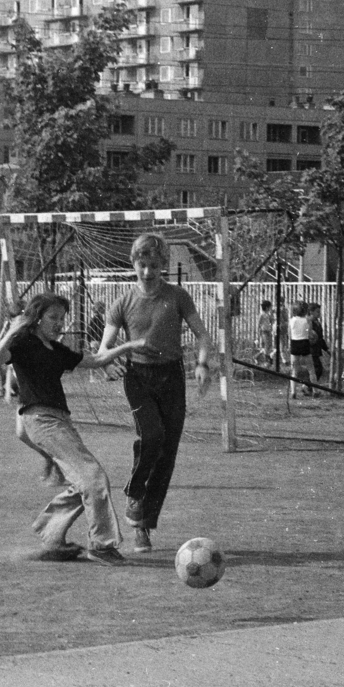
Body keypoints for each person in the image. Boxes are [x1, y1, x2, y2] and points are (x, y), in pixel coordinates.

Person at [0, 293, 149, 564]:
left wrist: (128, 346)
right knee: (94, 478)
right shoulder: (24, 342)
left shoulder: (57, 349)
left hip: (60, 421)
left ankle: (51, 535)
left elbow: (96, 361)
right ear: (37, 318)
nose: (59, 323)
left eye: (62, 318)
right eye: (53, 317)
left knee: (82, 484)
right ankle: (101, 545)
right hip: (41, 420)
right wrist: (14, 329)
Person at [101, 233, 213, 552]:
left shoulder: (177, 296)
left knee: (167, 454)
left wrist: (202, 364)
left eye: (154, 266)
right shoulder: (122, 302)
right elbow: (104, 347)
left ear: (163, 265)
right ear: (133, 263)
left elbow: (202, 335)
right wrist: (108, 365)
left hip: (172, 377)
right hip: (138, 376)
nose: (148, 273)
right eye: (142, 265)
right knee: (152, 435)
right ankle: (135, 492)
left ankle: (143, 526)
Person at [287, 300, 315, 398]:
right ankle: (315, 390)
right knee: (311, 369)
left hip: (295, 343)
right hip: (304, 342)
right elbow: (310, 333)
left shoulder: (291, 320)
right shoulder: (308, 320)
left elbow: (289, 334)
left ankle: (293, 392)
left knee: (294, 370)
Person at [309, 303, 329, 383]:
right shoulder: (309, 323)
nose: (319, 313)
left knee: (317, 369)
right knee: (317, 369)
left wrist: (326, 349)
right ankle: (307, 386)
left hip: (316, 350)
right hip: (311, 350)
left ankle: (308, 387)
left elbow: (320, 338)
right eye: (317, 312)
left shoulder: (317, 323)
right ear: (311, 312)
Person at [254, 300, 276, 365]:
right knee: (266, 346)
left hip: (269, 331)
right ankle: (267, 360)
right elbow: (258, 323)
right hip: (264, 332)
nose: (271, 308)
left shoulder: (268, 314)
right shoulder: (262, 314)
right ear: (267, 308)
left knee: (269, 346)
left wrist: (272, 315)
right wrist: (258, 332)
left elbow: (272, 321)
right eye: (270, 307)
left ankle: (256, 357)